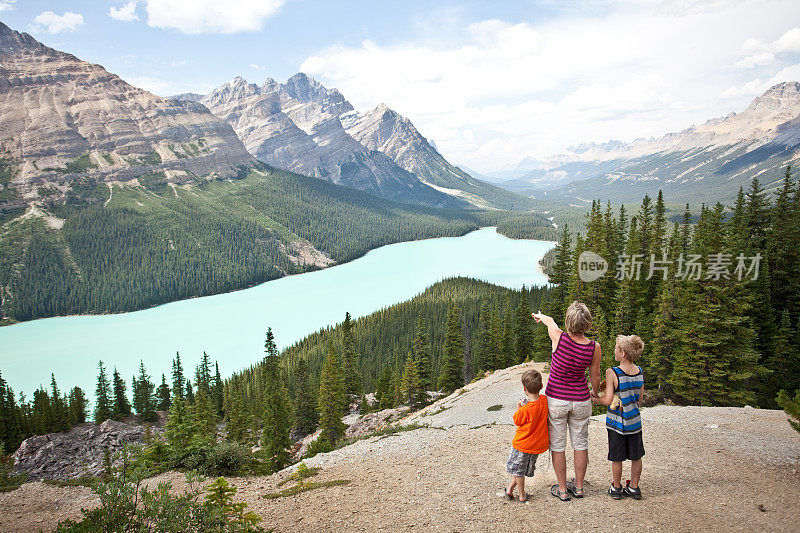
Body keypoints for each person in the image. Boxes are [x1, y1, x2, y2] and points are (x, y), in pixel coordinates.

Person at [532, 302, 601, 501]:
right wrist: (594, 393)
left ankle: (562, 489)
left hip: (557, 400)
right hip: (580, 401)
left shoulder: (559, 337)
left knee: (558, 446)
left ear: (568, 321)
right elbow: (595, 376)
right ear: (587, 323)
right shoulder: (594, 347)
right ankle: (578, 487)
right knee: (580, 444)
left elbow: (549, 322)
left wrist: (540, 315)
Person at [591, 334, 645, 500]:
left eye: (616, 348)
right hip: (634, 422)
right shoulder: (640, 371)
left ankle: (616, 487)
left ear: (622, 354)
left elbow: (608, 400)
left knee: (617, 457)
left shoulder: (612, 372)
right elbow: (640, 400)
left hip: (617, 423)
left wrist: (594, 398)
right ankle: (634, 488)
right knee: (636, 456)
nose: (614, 350)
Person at [501, 369, 549, 503]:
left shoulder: (525, 409)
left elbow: (517, 420)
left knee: (518, 471)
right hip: (536, 446)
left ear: (524, 389)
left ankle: (522, 495)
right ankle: (510, 489)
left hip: (522, 445)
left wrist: (519, 406)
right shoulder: (544, 401)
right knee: (520, 469)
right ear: (541, 386)